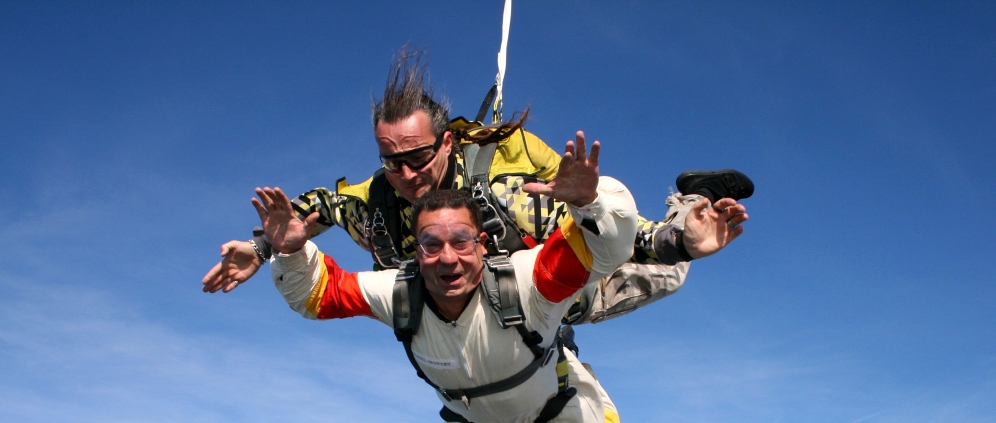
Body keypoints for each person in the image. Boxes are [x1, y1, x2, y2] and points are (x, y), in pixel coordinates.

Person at [261, 132, 748, 423]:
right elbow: (318, 282)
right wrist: (276, 247)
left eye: (461, 241)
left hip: (556, 299)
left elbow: (608, 247)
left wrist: (611, 210)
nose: (447, 257)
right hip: (484, 385)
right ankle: (501, 407)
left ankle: (689, 200)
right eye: (430, 244)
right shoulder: (393, 260)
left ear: (483, 242)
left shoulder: (519, 235)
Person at [202, 50, 753, 329]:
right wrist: (264, 246)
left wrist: (679, 240)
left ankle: (690, 197)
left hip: (554, 286)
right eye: (389, 162)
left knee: (668, 276)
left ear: (445, 144)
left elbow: (613, 234)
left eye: (417, 157)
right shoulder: (378, 201)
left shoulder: (506, 193)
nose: (406, 175)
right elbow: (317, 207)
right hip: (481, 323)